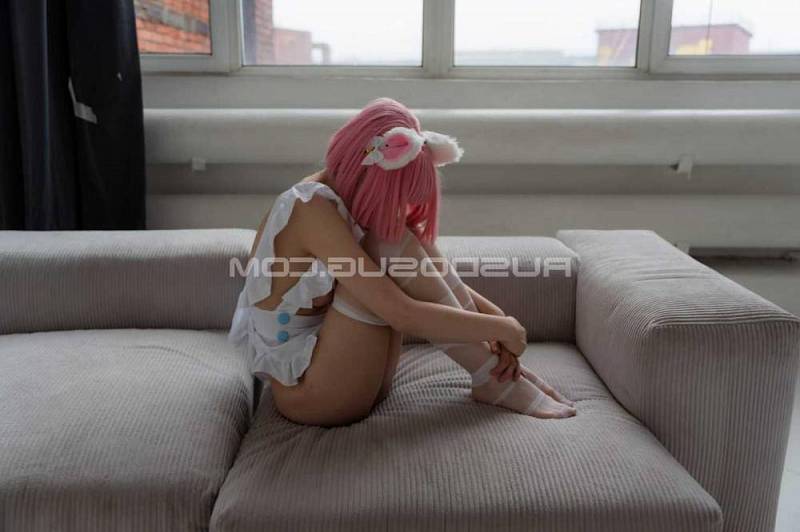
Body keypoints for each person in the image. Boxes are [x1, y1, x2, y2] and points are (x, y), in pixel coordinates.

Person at [229, 98, 576, 427]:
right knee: (388, 243)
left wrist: (496, 321)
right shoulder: (309, 208)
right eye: (394, 196)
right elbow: (401, 313)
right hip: (313, 396)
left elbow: (432, 275)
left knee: (393, 239)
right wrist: (503, 330)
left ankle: (495, 374)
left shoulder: (339, 197)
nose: (397, 206)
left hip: (352, 378)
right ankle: (492, 378)